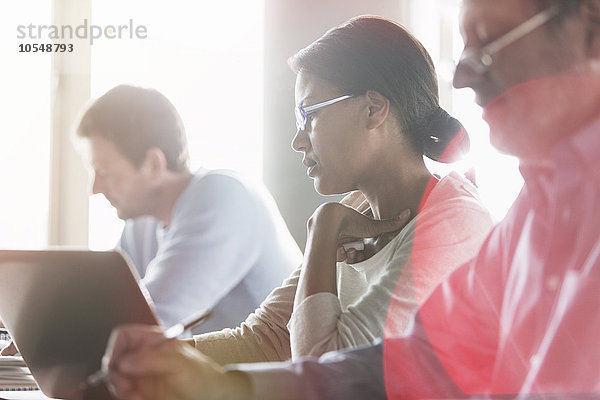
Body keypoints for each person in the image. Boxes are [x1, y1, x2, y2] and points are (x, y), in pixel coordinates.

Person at [100, 15, 499, 400]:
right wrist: (147, 364)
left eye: (308, 114)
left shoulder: (452, 222)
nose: (298, 140)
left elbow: (327, 375)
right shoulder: (356, 208)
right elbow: (266, 339)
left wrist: (323, 232)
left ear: (374, 109)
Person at [76, 85, 302, 334]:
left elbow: (147, 324)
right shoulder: (141, 226)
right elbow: (104, 308)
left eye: (105, 172)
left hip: (272, 368)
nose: (94, 188)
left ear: (153, 165)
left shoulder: (224, 196)